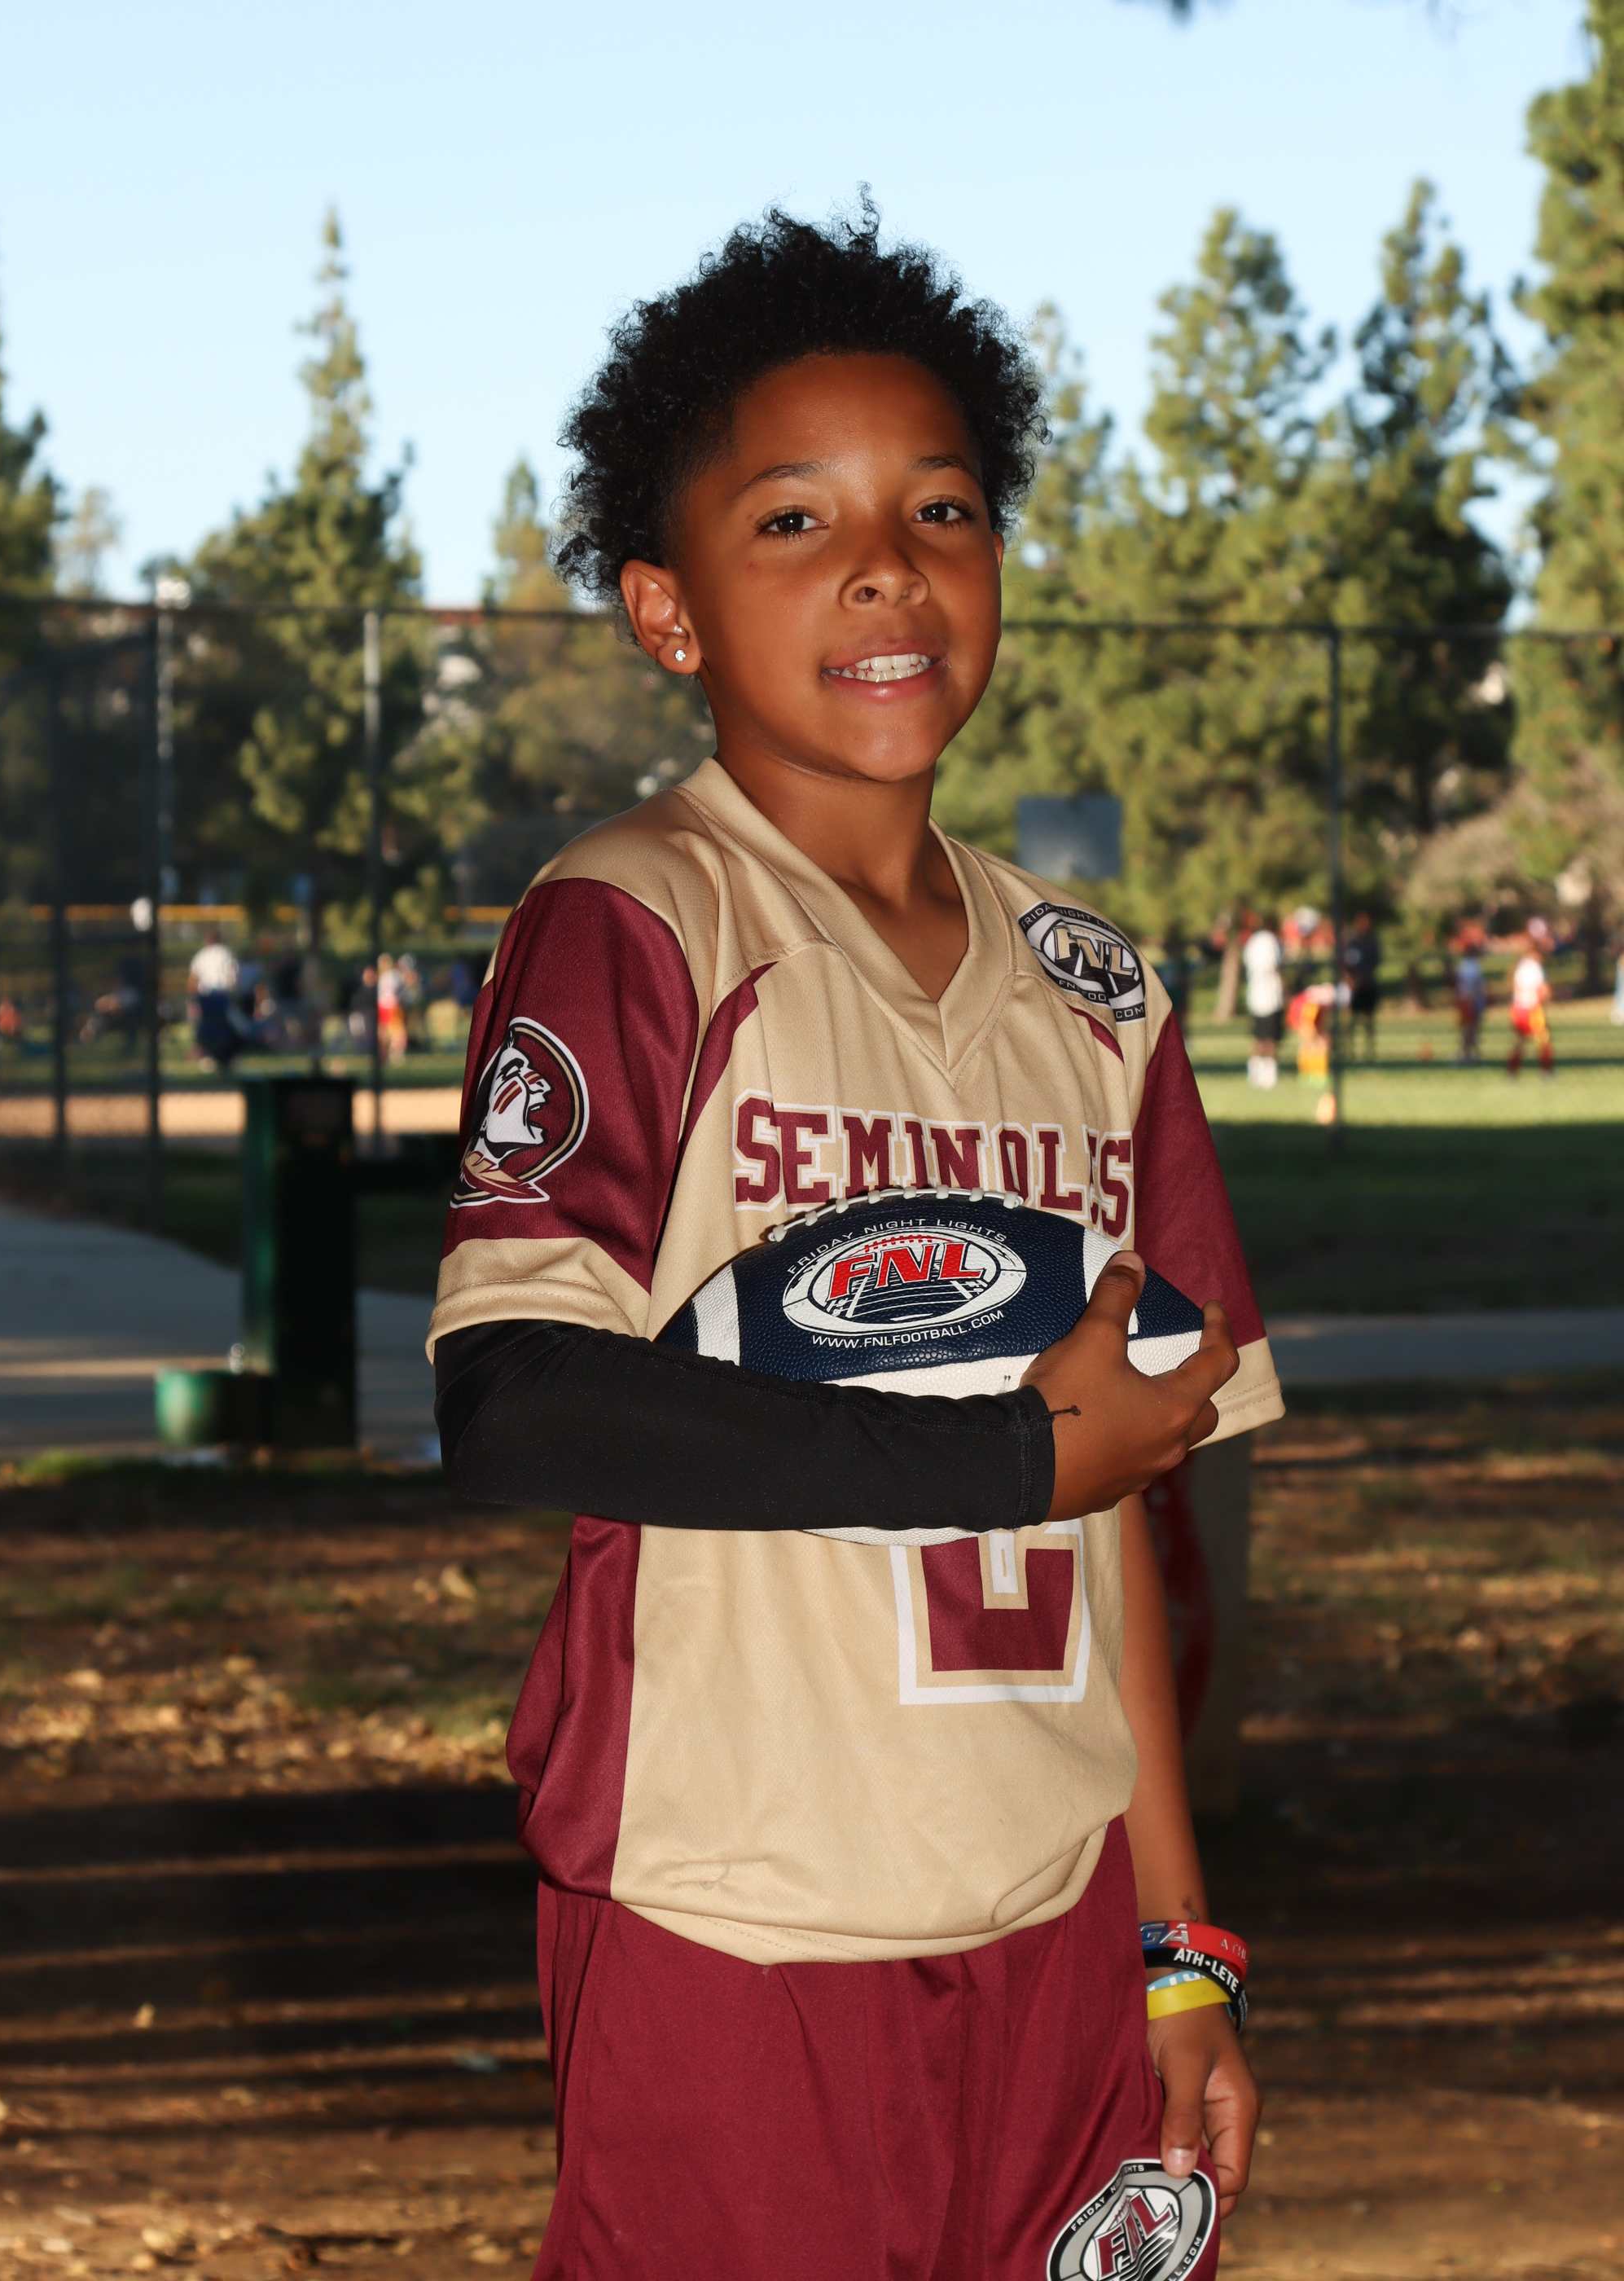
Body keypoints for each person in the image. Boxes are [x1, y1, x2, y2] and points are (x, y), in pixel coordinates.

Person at [431, 209, 1281, 2280]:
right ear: (665, 608)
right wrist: (996, 1460)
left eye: (940, 508)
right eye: (793, 519)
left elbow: (1122, 1501)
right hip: (735, 1907)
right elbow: (511, 1393)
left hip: (1055, 1909)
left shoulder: (1094, 987)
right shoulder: (640, 916)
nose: (886, 567)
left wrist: (1176, 1944)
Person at [1241, 912, 1284, 1088]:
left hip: (1255, 995)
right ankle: (1268, 1074)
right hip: (1271, 995)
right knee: (1270, 1037)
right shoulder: (1271, 941)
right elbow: (1275, 966)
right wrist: (1286, 989)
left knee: (1258, 1036)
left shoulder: (1251, 942)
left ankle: (1254, 1070)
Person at [187, 930, 240, 1068]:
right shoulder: (227, 953)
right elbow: (233, 976)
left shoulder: (202, 954)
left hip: (205, 995)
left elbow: (194, 979)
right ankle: (224, 1057)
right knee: (223, 1027)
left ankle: (209, 1055)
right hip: (222, 995)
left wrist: (193, 1000)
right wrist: (234, 995)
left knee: (207, 1027)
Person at [1508, 928, 1555, 1078]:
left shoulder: (1520, 966)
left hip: (1519, 1008)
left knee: (1520, 1041)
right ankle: (1547, 1071)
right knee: (1543, 1040)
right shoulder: (1536, 968)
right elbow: (1543, 990)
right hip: (1533, 1009)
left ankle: (1512, 1071)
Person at [1344, 912, 1380, 1061]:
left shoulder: (1372, 943)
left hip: (1368, 986)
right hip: (1356, 988)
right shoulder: (1353, 944)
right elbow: (1346, 964)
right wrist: (1351, 981)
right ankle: (1350, 1052)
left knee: (1369, 1021)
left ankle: (1369, 1053)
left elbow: (1375, 963)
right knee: (1352, 1020)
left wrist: (1364, 978)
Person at [1455, 934, 1487, 1063]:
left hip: (1467, 999)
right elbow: (1473, 985)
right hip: (1470, 1000)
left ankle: (1470, 1052)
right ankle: (1469, 1053)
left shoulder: (1465, 965)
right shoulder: (1471, 966)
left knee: (1470, 1028)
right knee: (1470, 1028)